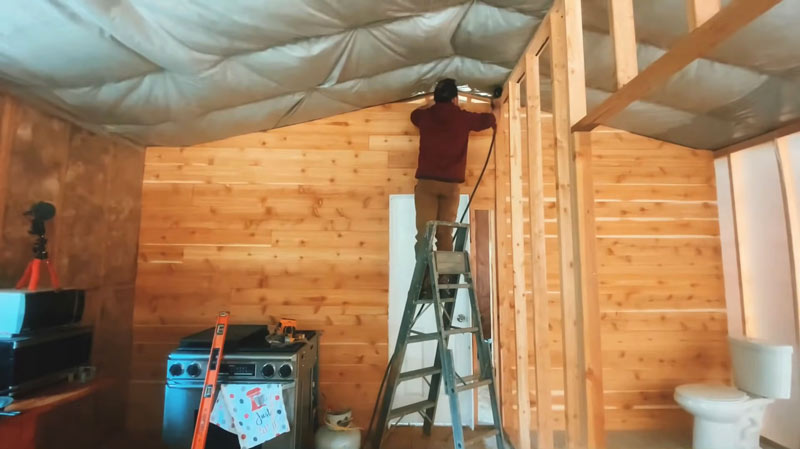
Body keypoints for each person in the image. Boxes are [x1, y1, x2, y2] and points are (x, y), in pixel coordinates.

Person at [410, 78, 496, 256]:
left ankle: (425, 281)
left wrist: (430, 103)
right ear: (455, 99)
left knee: (424, 236)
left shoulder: (425, 116)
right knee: (445, 234)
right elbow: (489, 120)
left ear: (436, 98)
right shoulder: (463, 118)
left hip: (427, 185)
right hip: (451, 187)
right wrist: (495, 105)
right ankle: (445, 280)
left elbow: (413, 115)